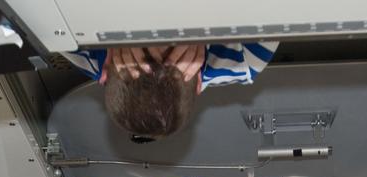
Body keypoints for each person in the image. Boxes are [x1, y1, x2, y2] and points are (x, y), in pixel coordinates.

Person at [64, 42, 276, 140]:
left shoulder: (77, 46)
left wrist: (110, 31)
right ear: (200, 80)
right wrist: (201, 26)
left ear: (104, 72)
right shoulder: (245, 58)